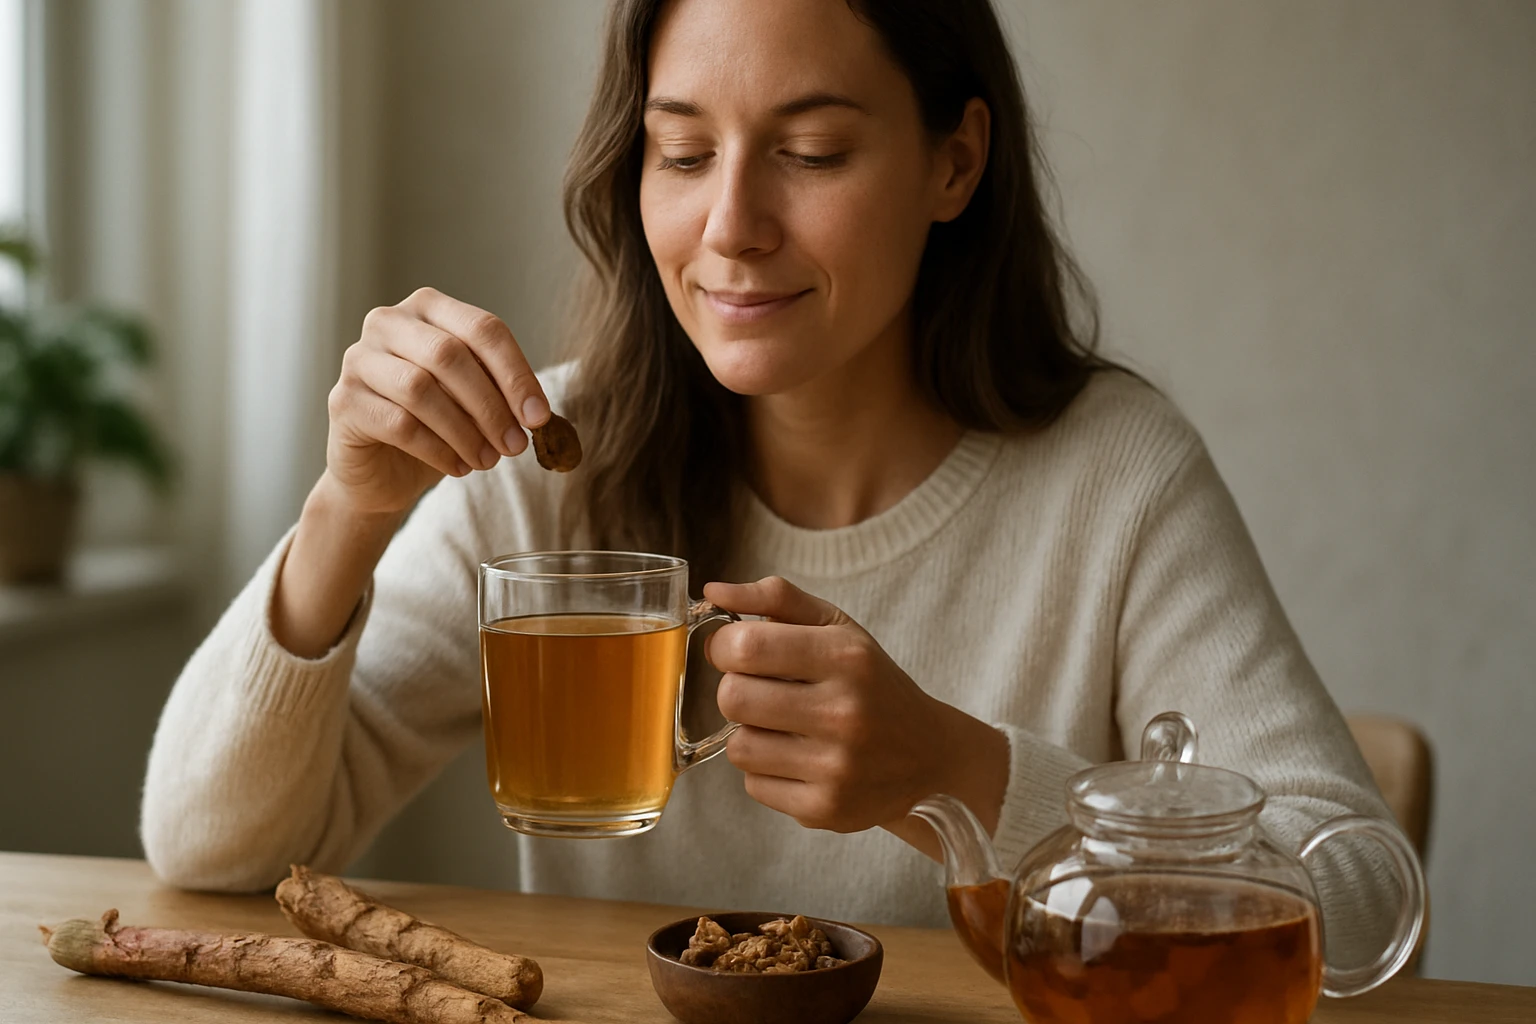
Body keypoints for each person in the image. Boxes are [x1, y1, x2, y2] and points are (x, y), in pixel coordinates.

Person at [142, 0, 1401, 959]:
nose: (731, 224)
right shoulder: (545, 459)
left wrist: (959, 775)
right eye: (682, 154)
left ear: (955, 163)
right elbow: (209, 848)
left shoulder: (1115, 477)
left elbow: (1358, 910)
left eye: (808, 151)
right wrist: (348, 509)